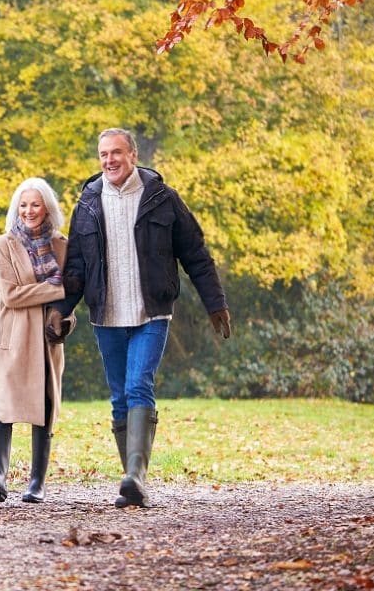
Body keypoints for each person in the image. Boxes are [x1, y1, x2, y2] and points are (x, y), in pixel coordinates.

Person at [46, 128, 230, 509]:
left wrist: (215, 304)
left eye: (116, 153)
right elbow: (77, 266)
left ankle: (137, 477)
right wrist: (62, 310)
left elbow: (196, 253)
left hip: (152, 311)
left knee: (138, 385)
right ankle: (131, 481)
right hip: (106, 314)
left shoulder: (162, 199)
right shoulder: (89, 203)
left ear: (133, 155)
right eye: (103, 155)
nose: (109, 161)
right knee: (118, 397)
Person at [0, 177, 77, 504]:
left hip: (45, 337)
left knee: (45, 404)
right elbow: (11, 295)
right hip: (10, 331)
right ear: (15, 209)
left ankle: (37, 482)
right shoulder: (3, 244)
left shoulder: (63, 246)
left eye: (35, 204)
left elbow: (71, 301)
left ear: (47, 207)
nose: (29, 211)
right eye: (23, 205)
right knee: (4, 404)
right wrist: (60, 288)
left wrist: (65, 319)